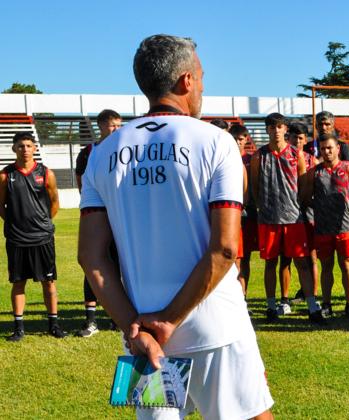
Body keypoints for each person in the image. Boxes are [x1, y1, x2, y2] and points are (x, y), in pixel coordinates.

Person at [77, 34, 273, 418]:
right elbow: (226, 249)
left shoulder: (103, 153)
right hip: (215, 326)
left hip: (147, 335)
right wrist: (168, 320)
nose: (202, 87)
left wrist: (137, 328)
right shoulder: (216, 142)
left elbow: (91, 257)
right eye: (200, 77)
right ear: (185, 81)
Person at [251, 112, 324, 324]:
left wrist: (297, 206)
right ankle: (271, 306)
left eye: (279, 127)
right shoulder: (259, 156)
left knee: (302, 263)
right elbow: (255, 186)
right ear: (267, 130)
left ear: (285, 130)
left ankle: (312, 307)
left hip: (294, 218)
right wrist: (262, 206)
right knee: (270, 263)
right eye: (272, 127)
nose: (276, 131)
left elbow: (303, 185)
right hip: (268, 219)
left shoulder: (296, 154)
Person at [1, 132, 64, 342]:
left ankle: (53, 324)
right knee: (18, 283)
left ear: (34, 148)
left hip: (42, 238)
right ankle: (19, 328)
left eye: (28, 145)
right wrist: (14, 223)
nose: (25, 149)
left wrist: (43, 223)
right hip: (17, 238)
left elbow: (54, 203)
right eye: (20, 146)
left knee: (49, 282)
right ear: (14, 149)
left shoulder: (46, 173)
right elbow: (0, 206)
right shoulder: (5, 175)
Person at [74, 109, 123, 336]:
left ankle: (118, 317)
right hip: (98, 217)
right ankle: (91, 320)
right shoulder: (88, 152)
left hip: (121, 218)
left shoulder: (125, 151)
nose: (116, 130)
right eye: (112, 125)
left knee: (122, 265)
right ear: (101, 126)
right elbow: (82, 185)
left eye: (119, 125)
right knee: (93, 263)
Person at [308, 134, 349, 318]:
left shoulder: (348, 168)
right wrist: (321, 209)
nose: (326, 152)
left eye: (330, 148)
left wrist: (347, 209)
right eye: (322, 149)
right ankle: (327, 304)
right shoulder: (315, 171)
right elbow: (306, 197)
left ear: (338, 148)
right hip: (322, 227)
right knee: (326, 266)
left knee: (347, 264)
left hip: (344, 227)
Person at [287, 123, 320, 305]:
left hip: (308, 212)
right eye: (294, 138)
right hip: (287, 211)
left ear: (305, 140)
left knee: (311, 255)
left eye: (300, 138)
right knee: (291, 256)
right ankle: (294, 294)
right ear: (288, 138)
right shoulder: (283, 158)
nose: (297, 141)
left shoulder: (312, 161)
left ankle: (311, 292)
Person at [230, 124, 259, 298]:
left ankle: (244, 295)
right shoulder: (224, 157)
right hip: (229, 211)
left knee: (245, 257)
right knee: (230, 256)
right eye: (235, 139)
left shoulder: (251, 159)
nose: (238, 142)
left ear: (246, 139)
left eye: (241, 139)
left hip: (248, 213)